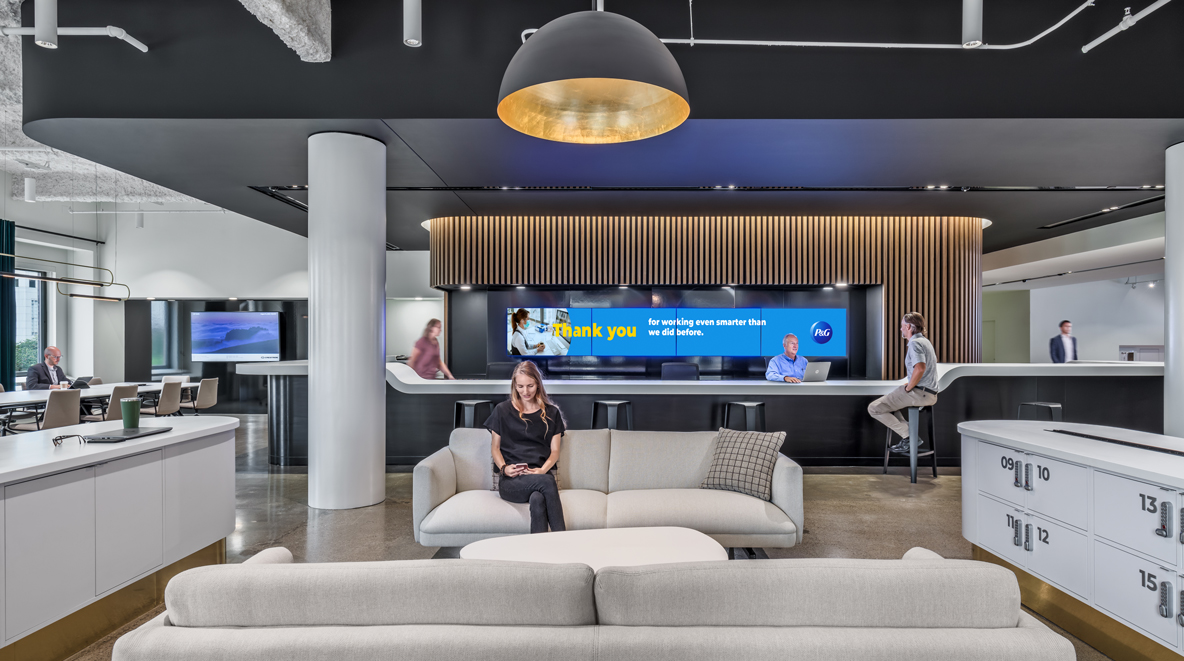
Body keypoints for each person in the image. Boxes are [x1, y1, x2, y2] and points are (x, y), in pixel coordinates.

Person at [486, 361, 566, 534]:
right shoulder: (502, 410)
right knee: (547, 482)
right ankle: (563, 539)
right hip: (511, 482)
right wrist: (504, 469)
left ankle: (537, 552)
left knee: (537, 499)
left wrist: (542, 470)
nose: (525, 391)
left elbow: (555, 451)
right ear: (515, 385)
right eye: (520, 386)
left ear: (538, 384)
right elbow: (495, 448)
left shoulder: (552, 413)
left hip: (538, 476)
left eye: (530, 385)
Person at [868, 312, 939, 453]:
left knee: (874, 408)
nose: (900, 329)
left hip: (919, 392)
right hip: (929, 393)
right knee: (890, 406)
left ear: (908, 326)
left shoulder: (914, 343)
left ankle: (909, 436)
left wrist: (909, 387)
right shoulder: (925, 341)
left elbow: (920, 368)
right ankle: (908, 434)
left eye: (902, 326)